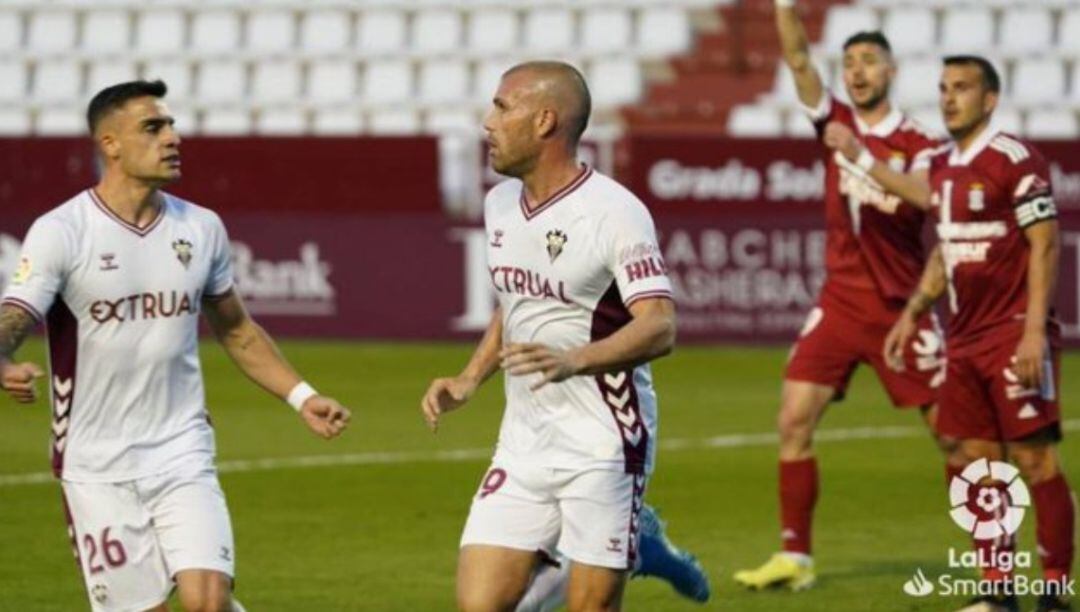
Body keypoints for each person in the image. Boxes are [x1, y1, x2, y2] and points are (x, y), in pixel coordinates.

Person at [0, 80, 351, 612]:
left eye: (171, 125)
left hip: (181, 448)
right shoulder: (62, 232)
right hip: (97, 463)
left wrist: (303, 397)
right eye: (153, 127)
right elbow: (15, 316)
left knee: (207, 600)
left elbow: (237, 329)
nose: (172, 137)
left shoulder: (201, 227)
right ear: (109, 143)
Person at [420, 61, 678, 612]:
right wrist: (470, 378)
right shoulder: (499, 205)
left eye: (501, 107)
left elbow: (659, 325)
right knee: (479, 606)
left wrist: (574, 360)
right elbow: (515, 304)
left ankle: (630, 544)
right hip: (525, 440)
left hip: (605, 442)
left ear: (544, 121)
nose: (488, 122)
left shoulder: (615, 212)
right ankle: (620, 548)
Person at [734, 0, 954, 592]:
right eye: (850, 62)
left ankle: (995, 556)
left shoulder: (921, 140)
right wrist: (784, 8)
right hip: (839, 302)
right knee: (792, 421)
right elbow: (799, 56)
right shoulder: (833, 118)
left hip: (900, 309)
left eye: (869, 62)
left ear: (891, 72)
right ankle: (795, 559)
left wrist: (860, 158)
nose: (856, 71)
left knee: (955, 437)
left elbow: (926, 197)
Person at [877, 56, 1073, 612]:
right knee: (975, 461)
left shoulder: (1016, 159)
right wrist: (913, 312)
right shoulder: (940, 167)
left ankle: (1055, 591)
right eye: (943, 88)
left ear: (989, 99)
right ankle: (997, 591)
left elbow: (1046, 243)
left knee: (1036, 464)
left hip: (1012, 334)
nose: (948, 98)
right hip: (962, 341)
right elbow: (945, 251)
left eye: (961, 88)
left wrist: (1035, 333)